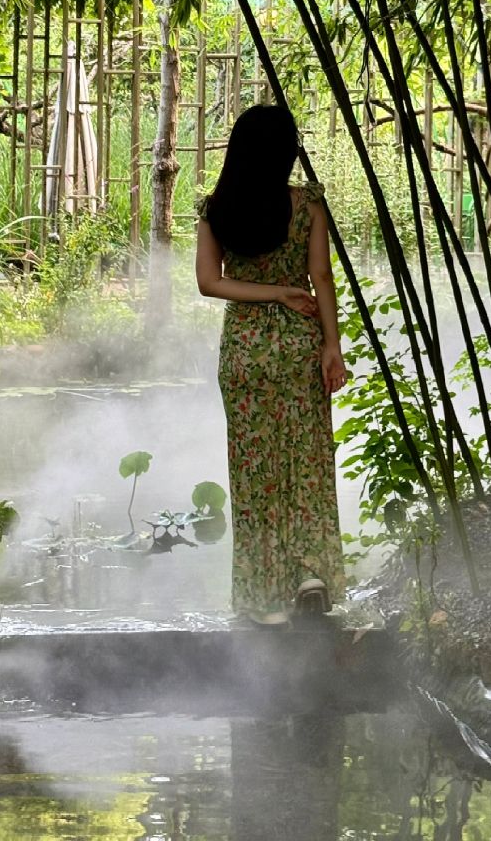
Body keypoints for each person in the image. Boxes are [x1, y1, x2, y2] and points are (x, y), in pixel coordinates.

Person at [195, 103, 347, 626]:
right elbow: (321, 278)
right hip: (300, 346)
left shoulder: (218, 208)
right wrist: (332, 345)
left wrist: (270, 293)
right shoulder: (307, 205)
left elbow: (210, 283)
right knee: (306, 462)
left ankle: (264, 599)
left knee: (254, 471)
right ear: (286, 153)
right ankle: (310, 574)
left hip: (245, 351)